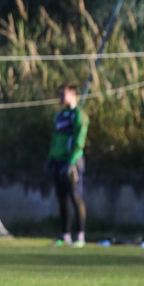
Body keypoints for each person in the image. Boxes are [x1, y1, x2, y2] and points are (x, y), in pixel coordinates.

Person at [47, 83, 88, 247]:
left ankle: (81, 236)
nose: (60, 98)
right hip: (58, 161)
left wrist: (72, 163)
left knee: (75, 197)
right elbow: (56, 139)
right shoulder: (59, 116)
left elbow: (79, 140)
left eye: (63, 94)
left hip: (72, 162)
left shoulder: (79, 115)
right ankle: (66, 236)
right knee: (61, 199)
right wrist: (50, 158)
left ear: (73, 95)